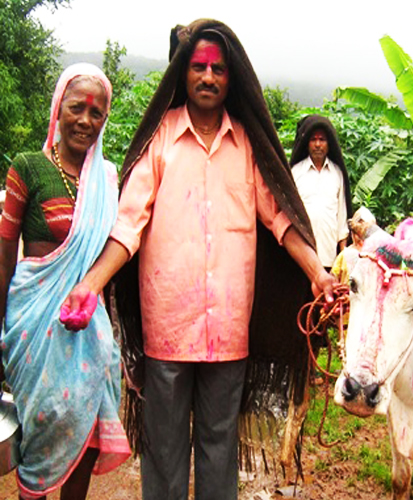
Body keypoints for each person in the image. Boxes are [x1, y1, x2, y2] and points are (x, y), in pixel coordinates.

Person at [61, 20, 336, 500]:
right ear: (183, 72)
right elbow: (128, 225)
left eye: (218, 69)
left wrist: (317, 272)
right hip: (167, 329)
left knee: (219, 447)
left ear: (231, 78)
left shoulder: (246, 144)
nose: (208, 76)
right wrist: (90, 284)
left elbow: (280, 219)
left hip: (229, 331)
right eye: (199, 67)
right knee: (165, 454)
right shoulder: (161, 139)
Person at [0, 63, 131, 500]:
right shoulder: (28, 168)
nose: (85, 120)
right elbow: (5, 258)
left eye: (97, 113)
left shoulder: (107, 179)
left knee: (88, 438)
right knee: (42, 433)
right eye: (77, 108)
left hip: (89, 332)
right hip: (35, 330)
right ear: (58, 108)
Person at [290, 115, 353, 272]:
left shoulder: (337, 174)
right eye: (313, 139)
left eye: (322, 140)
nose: (317, 144)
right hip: (301, 258)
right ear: (307, 143)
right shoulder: (295, 172)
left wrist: (343, 256)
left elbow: (342, 219)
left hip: (328, 256)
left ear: (329, 144)